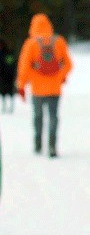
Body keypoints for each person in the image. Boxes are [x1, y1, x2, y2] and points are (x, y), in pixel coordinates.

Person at [16, 13, 73, 158]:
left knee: (38, 117)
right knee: (53, 117)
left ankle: (38, 144)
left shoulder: (31, 43)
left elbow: (24, 67)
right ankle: (52, 146)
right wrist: (61, 76)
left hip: (37, 89)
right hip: (55, 88)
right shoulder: (59, 41)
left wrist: (21, 86)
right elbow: (68, 64)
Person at [0, 38, 17, 114]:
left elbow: (11, 65)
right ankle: (4, 106)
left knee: (10, 92)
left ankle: (11, 107)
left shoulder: (8, 54)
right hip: (2, 76)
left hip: (8, 76)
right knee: (3, 92)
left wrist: (12, 74)